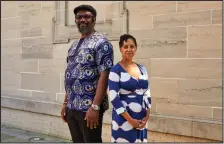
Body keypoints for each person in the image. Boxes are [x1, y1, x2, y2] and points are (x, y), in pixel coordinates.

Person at [60, 4, 114, 143]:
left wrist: (95, 107)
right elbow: (72, 74)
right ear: (76, 21)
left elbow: (105, 75)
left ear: (94, 20)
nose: (82, 19)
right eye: (79, 17)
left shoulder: (102, 42)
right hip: (72, 106)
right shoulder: (74, 45)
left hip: (89, 107)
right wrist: (65, 102)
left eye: (87, 16)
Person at [108, 34, 151, 143]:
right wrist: (131, 120)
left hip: (141, 121)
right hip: (124, 121)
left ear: (136, 48)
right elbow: (114, 98)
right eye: (125, 47)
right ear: (120, 49)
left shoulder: (142, 69)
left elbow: (147, 93)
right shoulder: (115, 70)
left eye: (132, 46)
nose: (129, 49)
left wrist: (147, 116)